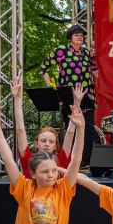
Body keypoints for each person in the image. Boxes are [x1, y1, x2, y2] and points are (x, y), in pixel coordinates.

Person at [38, 24, 98, 166]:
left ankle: (87, 162)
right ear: (70, 38)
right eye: (76, 34)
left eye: (82, 35)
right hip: (68, 94)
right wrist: (49, 85)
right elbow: (43, 67)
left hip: (86, 94)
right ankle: (71, 162)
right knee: (71, 126)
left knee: (88, 127)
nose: (80, 37)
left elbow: (95, 71)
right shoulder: (61, 51)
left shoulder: (87, 53)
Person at [11, 75, 80, 178]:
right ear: (36, 144)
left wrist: (77, 102)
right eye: (43, 141)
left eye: (51, 142)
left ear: (55, 146)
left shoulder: (61, 159)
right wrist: (17, 98)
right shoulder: (28, 160)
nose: (47, 144)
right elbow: (20, 130)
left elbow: (70, 133)